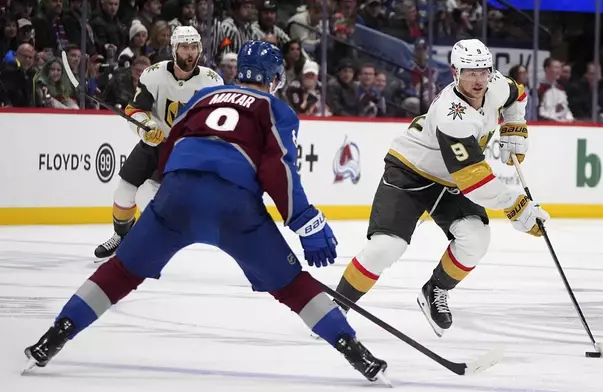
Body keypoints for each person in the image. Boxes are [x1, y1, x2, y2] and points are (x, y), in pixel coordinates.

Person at [23, 41, 388, 384]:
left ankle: (54, 336)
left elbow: (170, 147)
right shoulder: (273, 108)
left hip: (176, 195)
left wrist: (173, 189)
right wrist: (304, 220)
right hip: (233, 207)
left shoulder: (204, 94)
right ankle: (355, 352)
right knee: (292, 285)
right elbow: (278, 169)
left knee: (121, 271)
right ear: (275, 78)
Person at [333, 39, 550, 338]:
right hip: (410, 172)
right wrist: (516, 205)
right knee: (386, 247)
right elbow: (473, 179)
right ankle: (337, 308)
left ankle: (435, 289)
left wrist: (515, 125)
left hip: (450, 181)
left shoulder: (496, 84)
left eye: (483, 71)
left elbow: (519, 95)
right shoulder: (452, 115)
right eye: (469, 72)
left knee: (476, 239)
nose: (478, 80)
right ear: (454, 72)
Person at [94, 26, 224, 260]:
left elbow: (217, 123)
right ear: (174, 49)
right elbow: (134, 111)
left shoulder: (212, 82)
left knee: (146, 194)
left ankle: (150, 240)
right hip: (154, 143)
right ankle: (121, 236)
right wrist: (147, 129)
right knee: (124, 192)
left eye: (194, 47)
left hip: (185, 153)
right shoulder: (153, 75)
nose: (190, 52)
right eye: (185, 47)